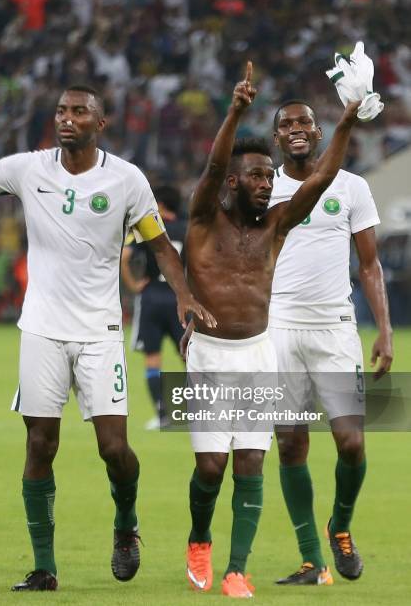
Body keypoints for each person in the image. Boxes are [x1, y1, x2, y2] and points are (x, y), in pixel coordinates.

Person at [0, 85, 215, 592]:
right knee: (40, 444)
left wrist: (183, 294)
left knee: (115, 449)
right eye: (62, 110)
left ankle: (126, 522)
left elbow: (160, 247)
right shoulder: (29, 167)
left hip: (100, 332)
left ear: (99, 124)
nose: (67, 118)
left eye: (79, 111)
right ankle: (45, 568)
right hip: (41, 329)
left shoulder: (126, 179)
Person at [181, 62, 362, 598]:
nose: (267, 185)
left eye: (269, 177)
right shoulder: (203, 216)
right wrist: (236, 111)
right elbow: (214, 167)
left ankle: (238, 569)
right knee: (211, 468)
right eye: (256, 177)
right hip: (210, 357)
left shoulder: (278, 223)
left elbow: (324, 177)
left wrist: (348, 120)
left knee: (253, 463)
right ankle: (199, 539)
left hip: (261, 352)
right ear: (233, 182)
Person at [270, 99, 393, 586]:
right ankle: (310, 560)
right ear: (277, 136)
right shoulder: (266, 187)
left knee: (352, 441)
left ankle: (339, 526)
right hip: (278, 325)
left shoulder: (351, 186)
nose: (296, 129)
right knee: (290, 443)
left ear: (319, 132)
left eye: (303, 122)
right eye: (286, 124)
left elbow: (369, 265)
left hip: (336, 329)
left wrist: (383, 330)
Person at [121, 185, 186, 430]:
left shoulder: (149, 226)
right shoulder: (189, 228)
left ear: (160, 204)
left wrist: (134, 285)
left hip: (151, 300)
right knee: (191, 358)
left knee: (152, 359)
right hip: (180, 300)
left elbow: (124, 257)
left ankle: (162, 415)